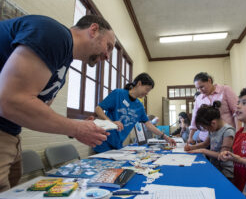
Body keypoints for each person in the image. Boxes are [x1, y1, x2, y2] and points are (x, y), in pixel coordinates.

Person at [0, 14, 115, 192]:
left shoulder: (62, 64)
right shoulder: (54, 34)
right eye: (109, 46)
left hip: (12, 135)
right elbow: (11, 100)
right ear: (93, 30)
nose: (107, 56)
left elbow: (36, 112)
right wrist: (75, 128)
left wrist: (77, 127)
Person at [94, 73, 176, 153]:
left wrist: (166, 137)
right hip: (103, 141)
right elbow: (98, 109)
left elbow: (149, 125)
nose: (147, 93)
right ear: (139, 83)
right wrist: (111, 122)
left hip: (118, 145)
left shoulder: (139, 106)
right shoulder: (118, 94)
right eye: (147, 89)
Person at [185, 101, 235, 180]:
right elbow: (205, 144)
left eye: (206, 128)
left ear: (213, 123)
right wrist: (191, 147)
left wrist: (203, 151)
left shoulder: (228, 131)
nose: (207, 130)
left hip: (226, 172)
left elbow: (223, 155)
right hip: (215, 167)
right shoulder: (213, 129)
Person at [187, 72, 241, 146]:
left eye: (202, 87)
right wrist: (190, 137)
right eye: (198, 89)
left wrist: (238, 134)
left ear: (209, 81)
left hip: (226, 136)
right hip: (206, 138)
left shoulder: (225, 90)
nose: (200, 91)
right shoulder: (199, 98)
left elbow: (237, 112)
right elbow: (194, 119)